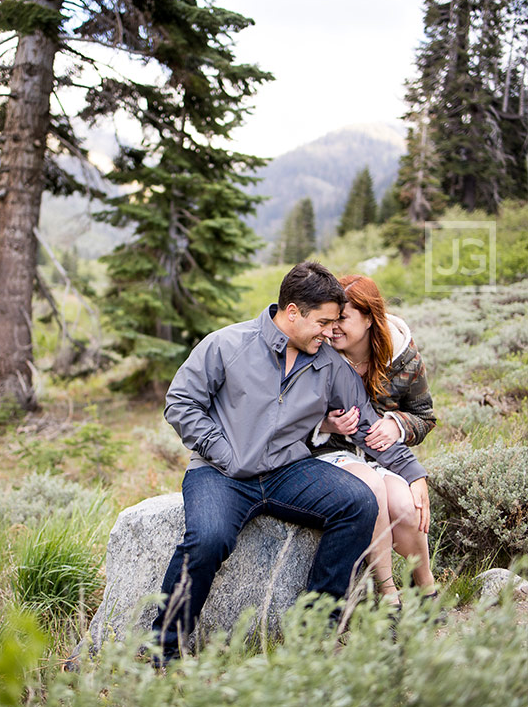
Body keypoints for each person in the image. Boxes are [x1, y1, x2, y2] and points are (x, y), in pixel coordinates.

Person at [153, 262, 429, 661]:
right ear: (293, 312)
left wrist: (412, 474)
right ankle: (162, 651)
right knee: (208, 540)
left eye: (336, 322)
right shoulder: (227, 345)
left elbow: (369, 427)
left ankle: (315, 632)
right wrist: (222, 450)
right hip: (220, 473)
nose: (330, 332)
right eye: (323, 322)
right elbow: (180, 402)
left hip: (288, 471)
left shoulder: (328, 363)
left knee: (359, 503)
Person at [309, 274, 437, 605]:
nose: (333, 327)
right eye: (331, 318)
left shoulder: (402, 357)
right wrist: (326, 424)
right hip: (334, 454)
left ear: (368, 318)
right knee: (375, 494)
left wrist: (397, 424)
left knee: (406, 506)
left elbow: (425, 416)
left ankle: (426, 591)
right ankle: (387, 593)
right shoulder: (318, 352)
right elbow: (293, 412)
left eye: (343, 318)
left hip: (383, 455)